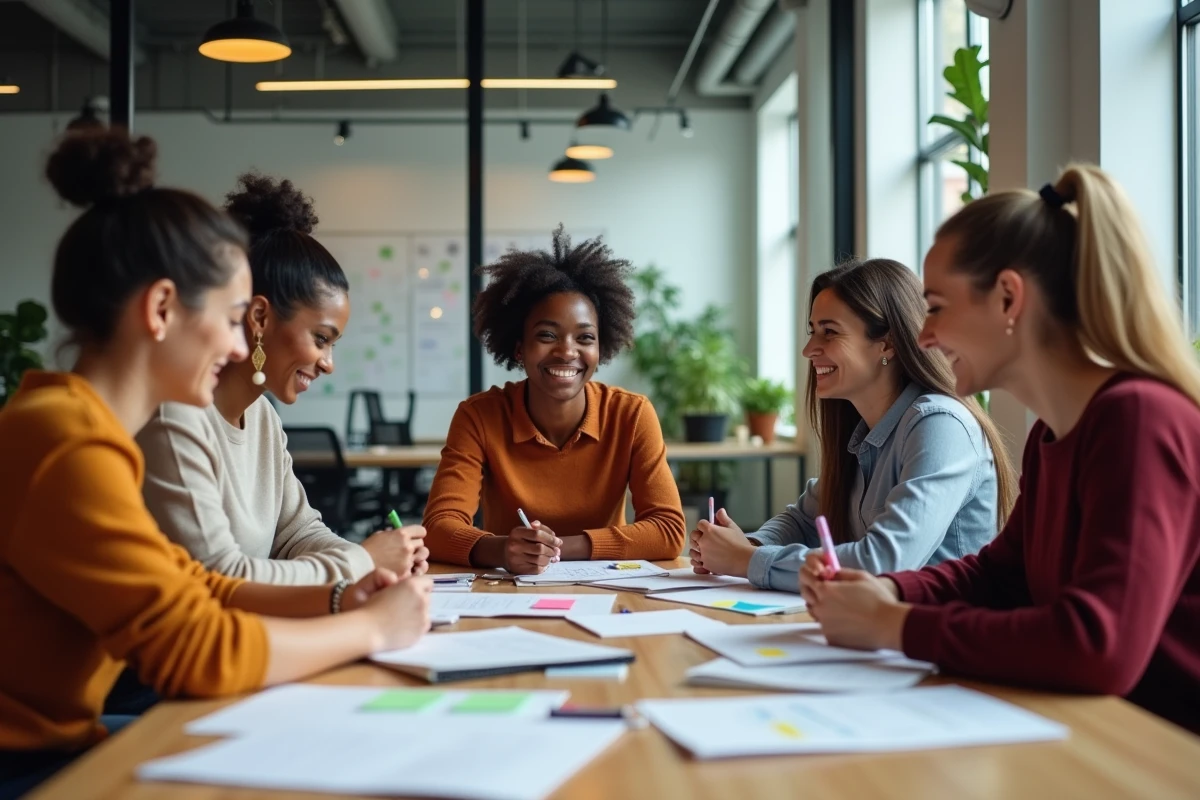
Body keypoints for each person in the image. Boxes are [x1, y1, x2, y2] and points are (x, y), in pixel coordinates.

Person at [0, 130, 430, 799]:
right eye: (233, 321)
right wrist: (370, 626)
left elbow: (197, 587)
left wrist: (340, 598)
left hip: (67, 742)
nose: (237, 349)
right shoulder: (65, 440)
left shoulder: (84, 429)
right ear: (161, 310)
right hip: (25, 766)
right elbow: (192, 646)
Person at [800, 165, 1200, 735]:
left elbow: (1098, 644)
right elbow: (1000, 575)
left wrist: (895, 625)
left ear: (1009, 297)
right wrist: (888, 590)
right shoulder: (1052, 433)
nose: (924, 336)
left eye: (937, 306)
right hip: (1095, 730)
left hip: (1160, 748)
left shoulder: (1138, 417)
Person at [136, 172, 427, 585]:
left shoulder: (263, 418)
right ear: (259, 317)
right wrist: (361, 562)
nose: (328, 363)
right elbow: (220, 577)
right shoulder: (175, 417)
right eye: (321, 339)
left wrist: (377, 560)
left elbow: (297, 534)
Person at [691, 259, 1015, 592]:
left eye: (829, 332)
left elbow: (885, 562)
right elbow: (803, 520)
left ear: (887, 343)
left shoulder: (941, 426)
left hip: (941, 623)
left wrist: (745, 560)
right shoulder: (863, 432)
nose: (808, 349)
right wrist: (745, 545)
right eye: (812, 331)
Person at [423, 226, 686, 573]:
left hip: (608, 590)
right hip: (510, 591)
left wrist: (559, 549)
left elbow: (668, 531)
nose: (567, 351)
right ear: (519, 348)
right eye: (547, 335)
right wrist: (503, 550)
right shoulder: (480, 416)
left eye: (585, 337)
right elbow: (438, 528)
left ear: (600, 348)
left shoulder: (631, 414)